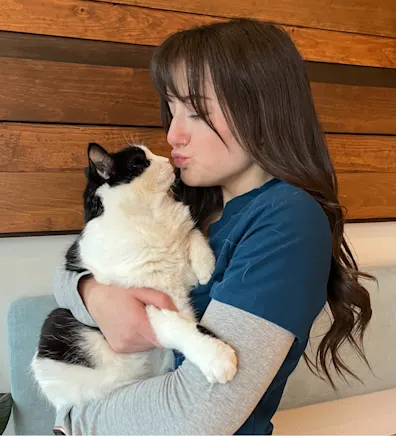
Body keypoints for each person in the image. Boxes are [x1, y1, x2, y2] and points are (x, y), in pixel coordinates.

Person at [52, 18, 373, 435]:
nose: (173, 134)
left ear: (261, 108)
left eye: (196, 111)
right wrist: (94, 295)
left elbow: (200, 412)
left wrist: (73, 421)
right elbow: (67, 271)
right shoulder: (185, 202)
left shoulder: (286, 219)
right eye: (171, 109)